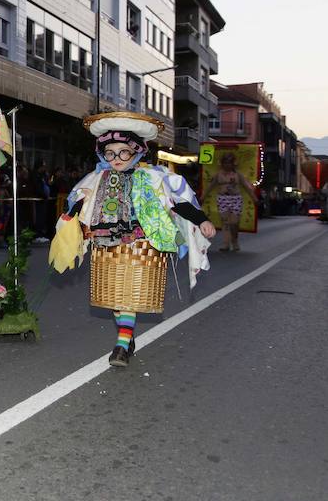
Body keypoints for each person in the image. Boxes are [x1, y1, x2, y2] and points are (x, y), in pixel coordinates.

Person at [50, 112, 216, 368]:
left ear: (137, 151)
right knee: (115, 296)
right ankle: (126, 337)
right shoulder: (96, 178)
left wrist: (201, 219)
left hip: (141, 245)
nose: (116, 158)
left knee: (130, 293)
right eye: (110, 153)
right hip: (105, 244)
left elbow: (177, 201)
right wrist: (69, 220)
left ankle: (121, 345)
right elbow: (78, 202)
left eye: (123, 152)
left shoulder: (153, 176)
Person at [202, 152, 256, 252]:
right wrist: (202, 197)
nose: (227, 165)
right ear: (222, 163)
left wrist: (254, 198)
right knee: (225, 222)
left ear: (233, 163)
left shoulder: (237, 174)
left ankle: (234, 240)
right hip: (222, 199)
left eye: (229, 162)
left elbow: (247, 186)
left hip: (235, 199)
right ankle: (226, 243)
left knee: (234, 222)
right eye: (225, 162)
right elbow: (210, 187)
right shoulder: (218, 175)